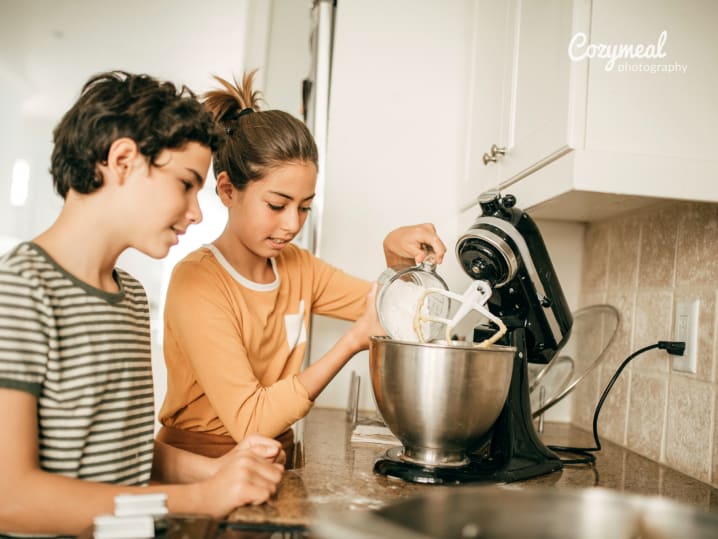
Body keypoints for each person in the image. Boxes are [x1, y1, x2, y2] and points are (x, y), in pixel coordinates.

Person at [0, 71, 285, 538]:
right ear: (124, 161)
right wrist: (196, 499)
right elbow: (10, 498)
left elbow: (122, 453)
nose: (196, 211)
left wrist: (214, 470)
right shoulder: (20, 291)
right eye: (186, 184)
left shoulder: (130, 296)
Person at [157, 71, 446, 459]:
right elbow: (250, 421)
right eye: (277, 205)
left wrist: (395, 257)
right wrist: (350, 343)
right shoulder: (197, 281)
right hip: (201, 463)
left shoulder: (299, 268)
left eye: (304, 207)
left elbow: (397, 313)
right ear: (228, 190)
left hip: (276, 460)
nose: (292, 224)